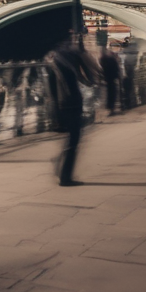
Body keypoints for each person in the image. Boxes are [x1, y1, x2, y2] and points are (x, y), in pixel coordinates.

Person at [45, 34, 96, 186]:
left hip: (62, 104)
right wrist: (83, 56)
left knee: (72, 140)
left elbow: (51, 90)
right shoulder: (72, 57)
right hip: (72, 102)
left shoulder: (52, 61)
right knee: (74, 140)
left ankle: (61, 166)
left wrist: (54, 113)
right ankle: (65, 176)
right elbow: (90, 80)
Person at [100, 44, 123, 115]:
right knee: (113, 92)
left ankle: (111, 108)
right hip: (112, 78)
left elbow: (103, 69)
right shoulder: (111, 58)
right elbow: (117, 69)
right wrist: (119, 77)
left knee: (110, 93)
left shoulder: (103, 59)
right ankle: (112, 108)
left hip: (108, 78)